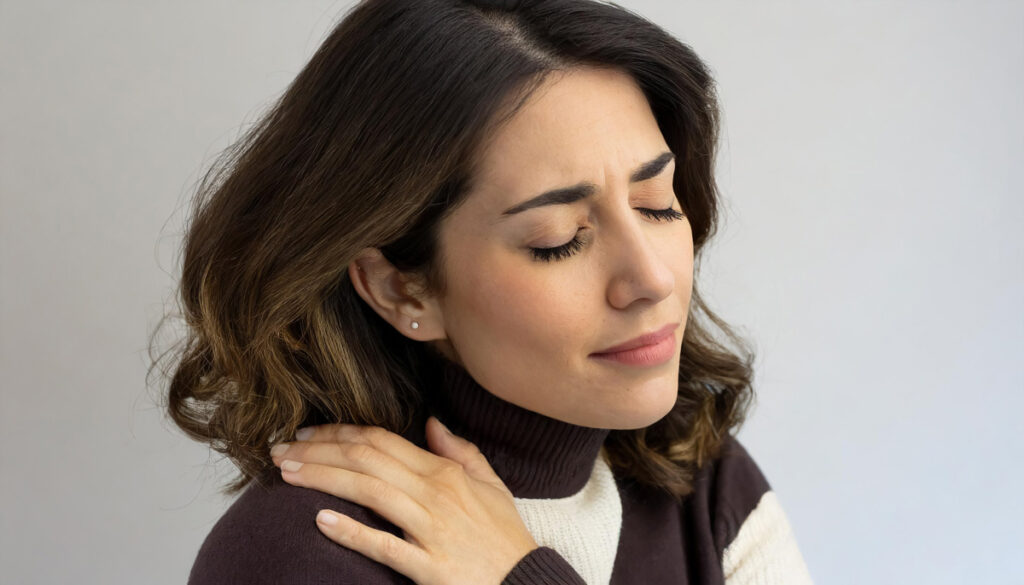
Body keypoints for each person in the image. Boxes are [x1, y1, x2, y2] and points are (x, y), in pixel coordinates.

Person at [152, 0, 815, 583]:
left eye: (657, 203)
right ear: (403, 289)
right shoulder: (300, 554)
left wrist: (518, 574)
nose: (653, 279)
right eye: (560, 239)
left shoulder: (704, 483)